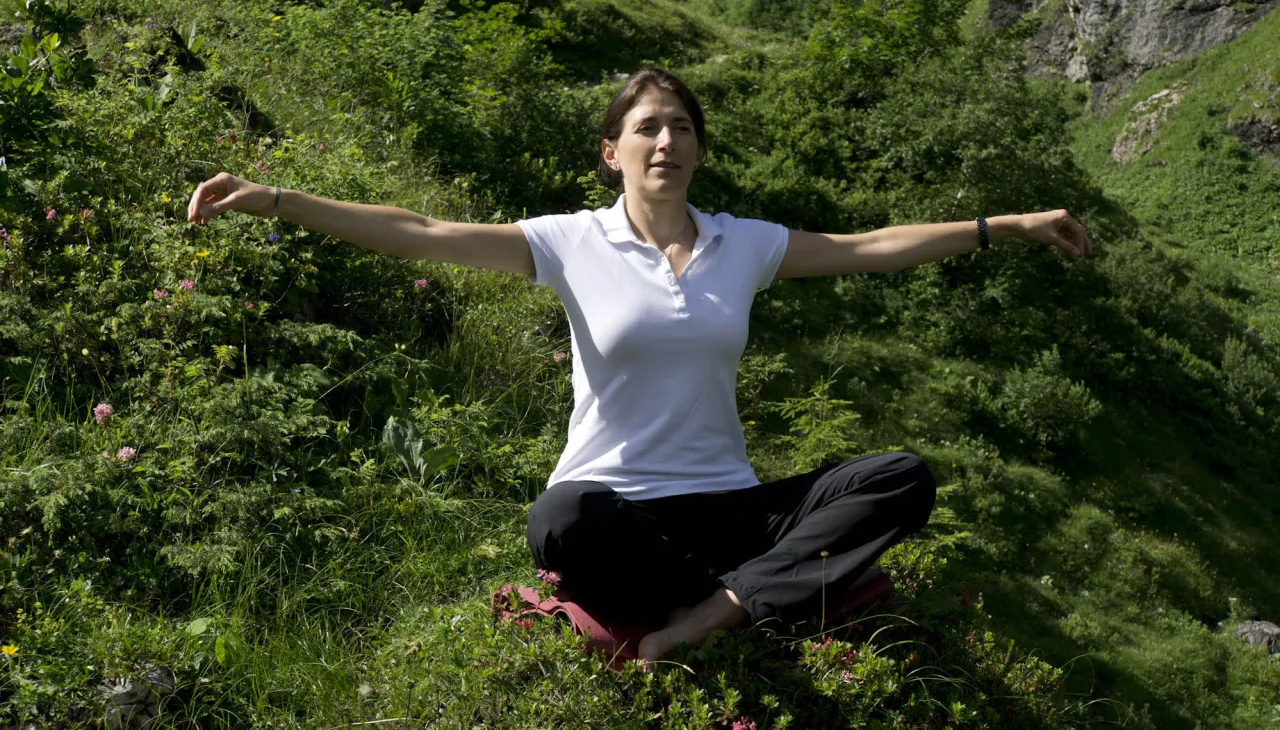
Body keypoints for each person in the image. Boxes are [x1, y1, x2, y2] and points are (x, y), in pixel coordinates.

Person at [187, 67, 1094, 671]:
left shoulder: (745, 244)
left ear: (699, 149)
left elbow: (870, 245)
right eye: (647, 127)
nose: (666, 142)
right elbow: (420, 230)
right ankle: (756, 601)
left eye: (682, 128)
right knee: (558, 516)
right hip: (622, 518)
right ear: (611, 150)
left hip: (732, 512)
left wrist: (1006, 226)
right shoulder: (569, 241)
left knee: (898, 476)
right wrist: (275, 198)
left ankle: (710, 616)